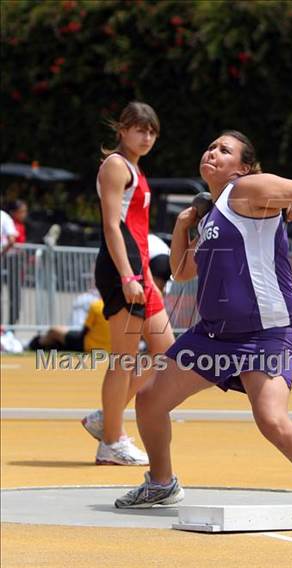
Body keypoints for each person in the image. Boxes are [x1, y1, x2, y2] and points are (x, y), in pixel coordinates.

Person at [115, 130, 292, 508]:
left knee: (272, 421)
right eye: (211, 145)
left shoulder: (249, 189)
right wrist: (184, 226)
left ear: (242, 167)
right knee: (149, 401)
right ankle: (162, 483)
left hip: (265, 333)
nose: (212, 151)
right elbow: (183, 272)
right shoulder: (213, 212)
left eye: (224, 150)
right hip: (214, 336)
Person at [81, 101, 175, 466]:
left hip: (140, 269)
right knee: (123, 358)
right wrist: (127, 275)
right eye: (140, 128)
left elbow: (137, 228)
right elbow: (111, 226)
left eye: (152, 131)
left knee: (167, 352)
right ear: (122, 129)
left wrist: (147, 274)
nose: (147, 136)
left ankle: (108, 417)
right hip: (122, 270)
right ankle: (111, 441)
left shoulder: (135, 168)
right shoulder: (116, 166)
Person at [28, 298, 111, 353]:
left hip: (88, 345)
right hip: (110, 348)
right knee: (62, 334)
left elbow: (84, 331)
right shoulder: (122, 308)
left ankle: (36, 343)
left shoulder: (97, 306)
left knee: (53, 331)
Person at [5, 200, 28, 325]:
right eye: (22, 211)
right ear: (14, 213)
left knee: (16, 295)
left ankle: (12, 323)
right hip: (9, 260)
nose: (25, 214)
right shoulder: (9, 223)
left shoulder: (21, 226)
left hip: (17, 262)